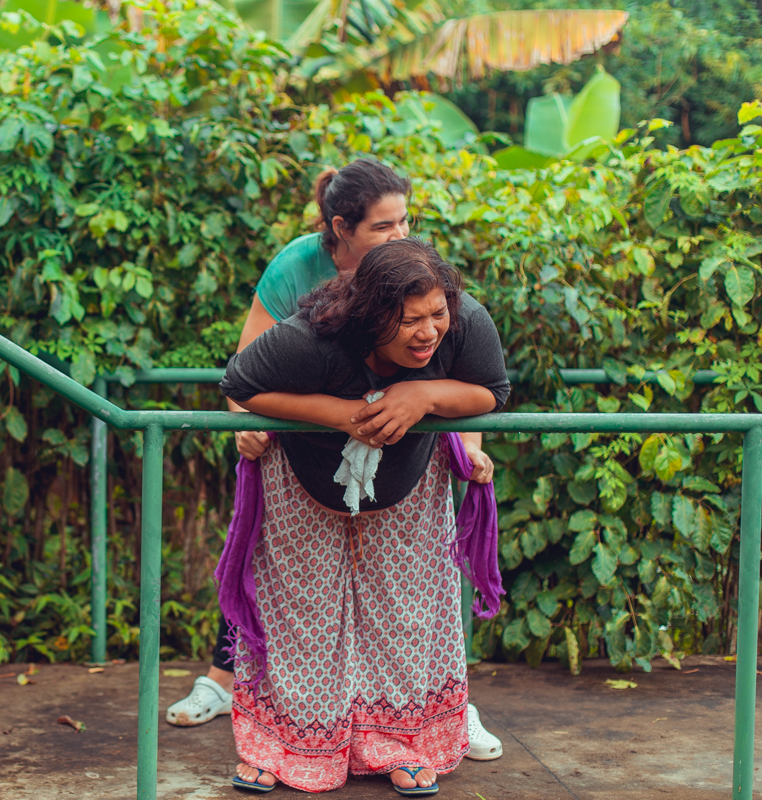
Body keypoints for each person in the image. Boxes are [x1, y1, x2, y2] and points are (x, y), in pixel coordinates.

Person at [166, 159, 503, 764]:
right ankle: (275, 724)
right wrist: (331, 415)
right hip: (304, 456)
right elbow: (244, 375)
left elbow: (479, 385)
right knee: (294, 595)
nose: (399, 236)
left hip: (405, 463)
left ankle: (418, 728)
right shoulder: (306, 292)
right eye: (383, 226)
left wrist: (434, 410)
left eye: (406, 223)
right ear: (342, 228)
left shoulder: (433, 293)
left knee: (406, 605)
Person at [218, 237, 509, 794]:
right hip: (303, 479)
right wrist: (344, 414)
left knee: (405, 612)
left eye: (436, 315)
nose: (429, 332)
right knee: (301, 610)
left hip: (409, 483)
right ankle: (280, 744)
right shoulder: (312, 339)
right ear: (372, 317)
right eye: (410, 321)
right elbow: (240, 383)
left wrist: (422, 397)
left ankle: (395, 743)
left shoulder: (464, 320)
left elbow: (491, 391)